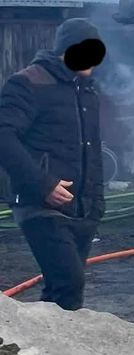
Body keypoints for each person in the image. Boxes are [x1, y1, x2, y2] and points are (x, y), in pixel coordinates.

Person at [0, 19, 107, 310]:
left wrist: (96, 202)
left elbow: (90, 150)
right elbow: (4, 137)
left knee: (63, 293)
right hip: (40, 206)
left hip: (82, 208)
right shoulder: (29, 83)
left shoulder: (87, 92)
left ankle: (45, 353)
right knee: (69, 283)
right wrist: (43, 184)